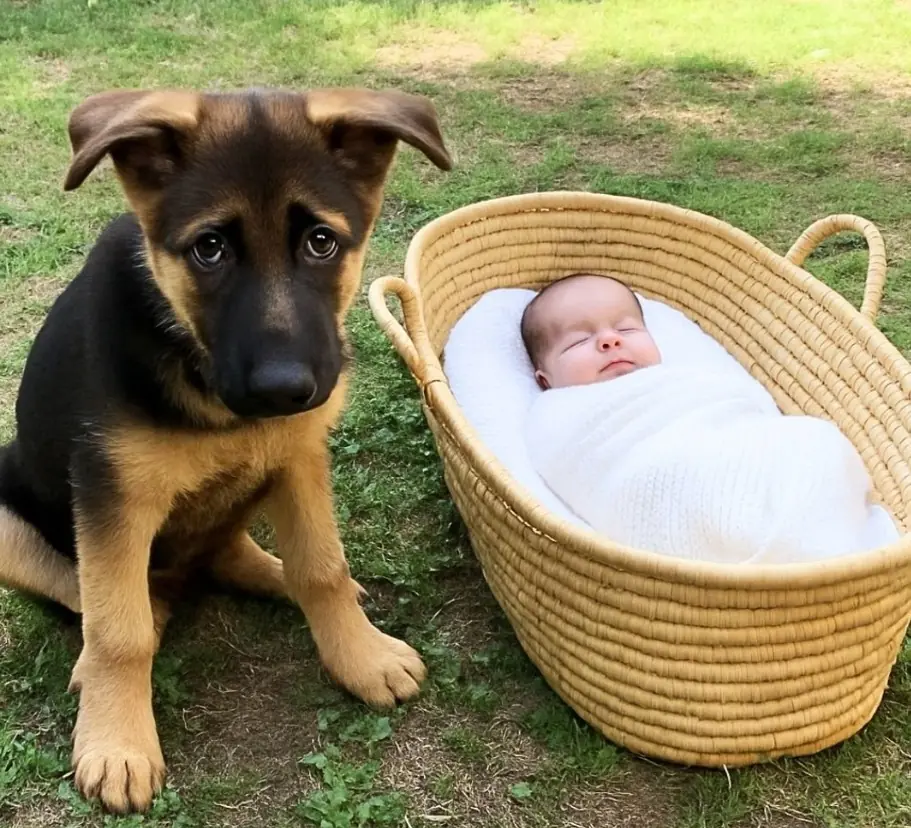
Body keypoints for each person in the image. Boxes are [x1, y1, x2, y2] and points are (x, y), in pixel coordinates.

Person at [520, 272, 661, 390]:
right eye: (579, 340)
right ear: (546, 382)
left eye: (626, 329)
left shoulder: (673, 380)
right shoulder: (555, 411)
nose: (610, 339)